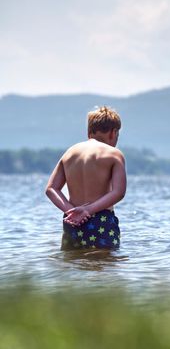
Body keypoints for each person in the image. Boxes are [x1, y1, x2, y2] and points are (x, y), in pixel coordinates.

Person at [45, 106, 126, 250]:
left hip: (72, 221)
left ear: (89, 133)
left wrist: (71, 211)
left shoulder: (70, 152)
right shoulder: (114, 154)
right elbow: (118, 192)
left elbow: (51, 189)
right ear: (114, 133)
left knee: (73, 264)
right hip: (100, 219)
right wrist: (88, 210)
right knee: (104, 266)